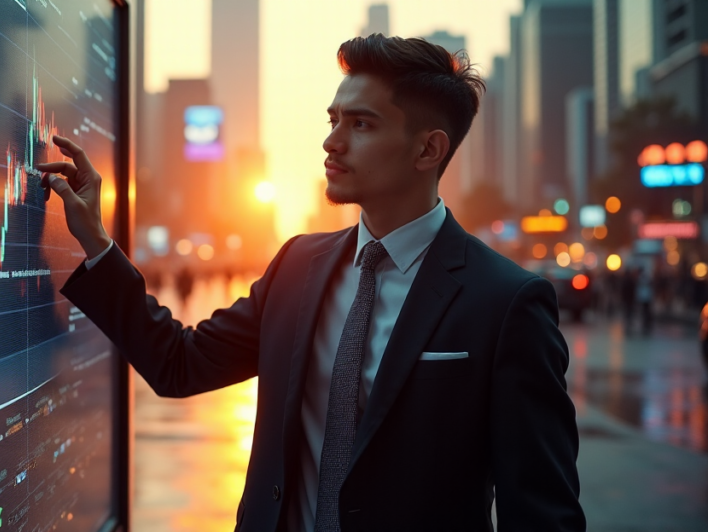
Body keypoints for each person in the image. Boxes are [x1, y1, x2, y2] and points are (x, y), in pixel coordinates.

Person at [39, 34, 584, 531]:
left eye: (361, 124)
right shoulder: (298, 265)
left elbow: (541, 515)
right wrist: (97, 245)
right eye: (333, 120)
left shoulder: (506, 302)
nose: (332, 142)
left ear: (428, 150)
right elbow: (179, 364)